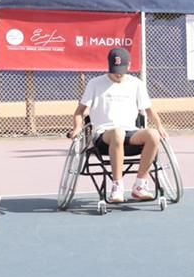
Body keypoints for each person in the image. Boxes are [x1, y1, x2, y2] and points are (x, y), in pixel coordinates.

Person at [69, 46, 166, 204]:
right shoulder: (95, 83)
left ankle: (140, 185)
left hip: (130, 133)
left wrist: (160, 126)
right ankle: (117, 186)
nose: (118, 73)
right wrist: (77, 128)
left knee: (153, 135)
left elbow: (149, 110)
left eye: (121, 69)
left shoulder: (136, 84)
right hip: (104, 136)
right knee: (118, 133)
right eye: (115, 70)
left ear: (128, 66)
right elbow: (79, 112)